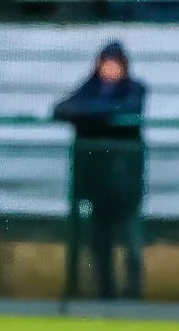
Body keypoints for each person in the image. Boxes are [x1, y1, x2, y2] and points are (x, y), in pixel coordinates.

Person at [53, 41, 148, 301]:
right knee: (99, 243)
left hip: (126, 182)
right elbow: (60, 109)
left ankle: (133, 296)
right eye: (106, 62)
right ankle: (104, 294)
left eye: (115, 63)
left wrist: (89, 114)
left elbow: (127, 112)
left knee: (131, 243)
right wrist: (97, 113)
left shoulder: (135, 88)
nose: (110, 69)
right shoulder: (89, 87)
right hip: (96, 182)